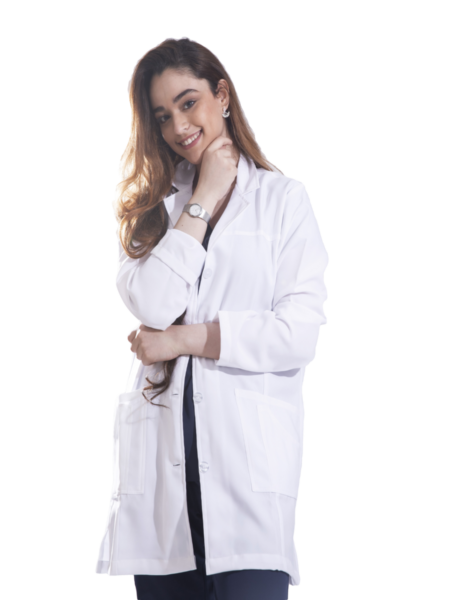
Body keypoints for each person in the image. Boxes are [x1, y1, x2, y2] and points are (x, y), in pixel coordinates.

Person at [95, 36, 329, 600]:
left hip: (247, 480)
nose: (178, 126)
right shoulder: (150, 211)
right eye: (162, 115)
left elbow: (296, 335)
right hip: (164, 489)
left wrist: (182, 340)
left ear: (222, 96)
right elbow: (153, 304)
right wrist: (202, 199)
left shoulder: (284, 200)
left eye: (189, 102)